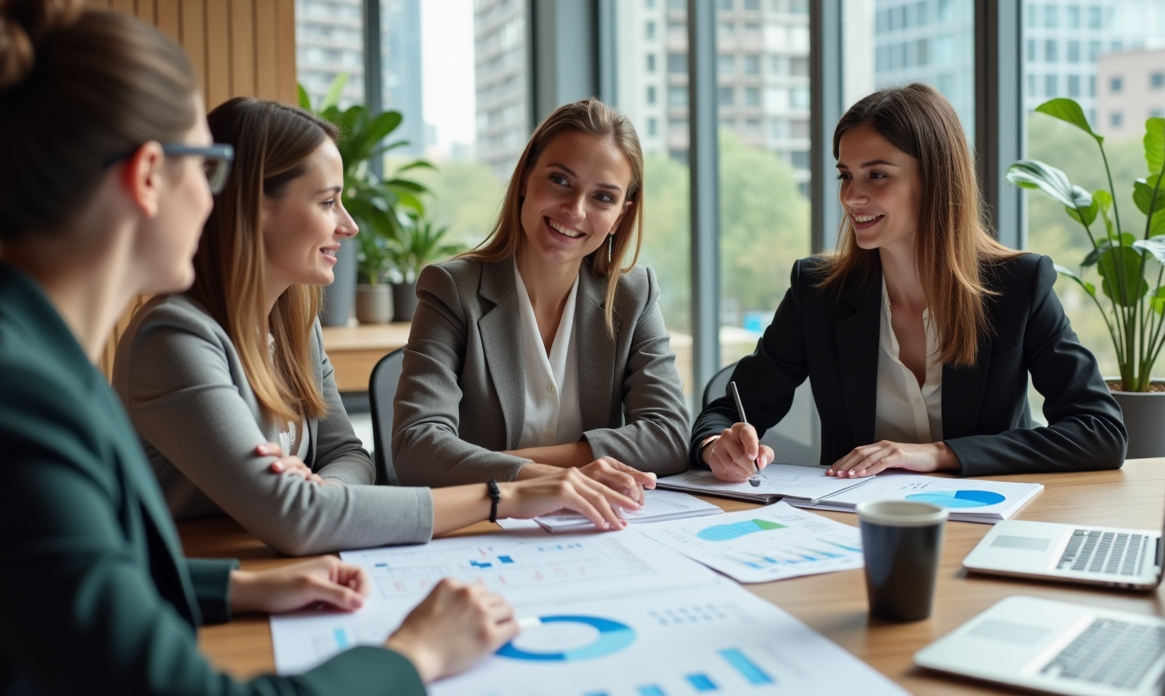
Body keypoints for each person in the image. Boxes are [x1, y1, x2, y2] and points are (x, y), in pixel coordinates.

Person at [0, 0, 519, 696]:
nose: (215, 197)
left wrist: (240, 588)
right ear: (149, 177)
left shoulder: (32, 359)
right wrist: (414, 653)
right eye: (210, 167)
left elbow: (77, 577)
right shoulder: (8, 399)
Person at [114, 96, 644, 557]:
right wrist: (506, 493)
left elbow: (348, 456)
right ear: (254, 209)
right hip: (194, 591)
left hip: (279, 569)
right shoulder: (174, 338)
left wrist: (321, 491)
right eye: (327, 202)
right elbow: (297, 518)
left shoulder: (296, 322)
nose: (349, 223)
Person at [692, 83, 1126, 482]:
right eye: (845, 175)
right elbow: (728, 411)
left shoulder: (1016, 287)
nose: (851, 197)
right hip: (852, 530)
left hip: (983, 524)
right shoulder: (819, 292)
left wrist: (937, 453)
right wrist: (718, 447)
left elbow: (1100, 430)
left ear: (935, 179)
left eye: (877, 174)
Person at [390, 98, 691, 489]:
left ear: (621, 216)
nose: (575, 209)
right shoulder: (452, 290)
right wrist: (545, 477)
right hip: (484, 526)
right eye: (560, 180)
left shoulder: (633, 295)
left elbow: (668, 436)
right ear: (526, 178)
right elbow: (417, 448)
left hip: (594, 524)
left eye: (602, 197)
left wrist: (496, 465)